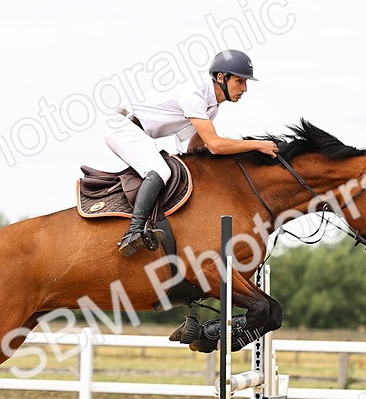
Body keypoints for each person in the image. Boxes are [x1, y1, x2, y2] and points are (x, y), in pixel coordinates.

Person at [105, 49, 280, 256]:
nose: (244, 89)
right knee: (161, 170)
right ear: (221, 78)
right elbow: (214, 145)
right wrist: (257, 145)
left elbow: (194, 149)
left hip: (139, 132)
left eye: (245, 83)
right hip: (121, 127)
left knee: (173, 168)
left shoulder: (212, 107)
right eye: (240, 82)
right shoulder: (194, 94)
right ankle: (133, 232)